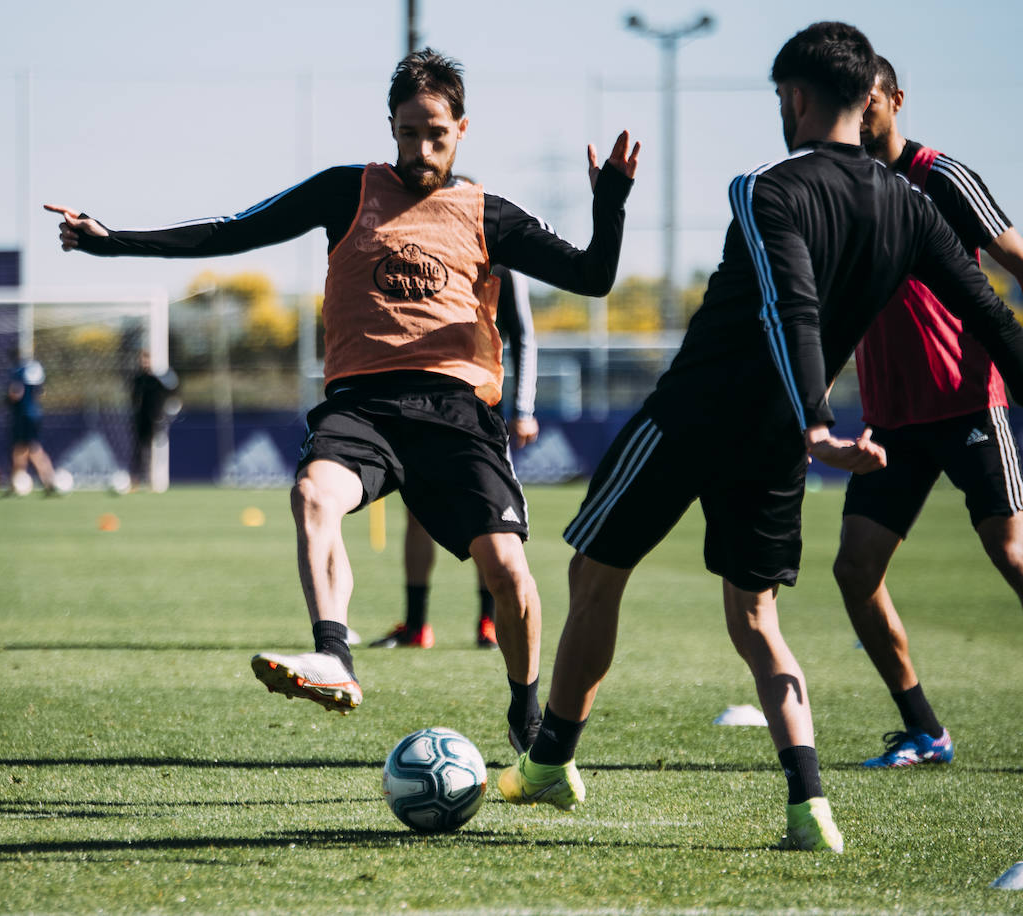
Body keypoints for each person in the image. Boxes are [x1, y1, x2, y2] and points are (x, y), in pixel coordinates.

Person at [497, 21, 1023, 853]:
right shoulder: (910, 205)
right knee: (755, 616)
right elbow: (992, 314)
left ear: (797, 97)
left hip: (693, 416)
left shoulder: (765, 185)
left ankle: (553, 760)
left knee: (595, 574)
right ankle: (809, 807)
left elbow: (791, 307)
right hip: (778, 440)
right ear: (868, 96)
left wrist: (817, 418)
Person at [46, 48, 639, 752]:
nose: (422, 147)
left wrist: (609, 205)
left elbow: (595, 277)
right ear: (391, 125)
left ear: (462, 129)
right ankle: (334, 654)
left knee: (508, 570)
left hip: (457, 415)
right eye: (409, 131)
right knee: (312, 496)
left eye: (437, 133)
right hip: (362, 409)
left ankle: (525, 711)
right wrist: (114, 242)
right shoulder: (345, 191)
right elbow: (234, 230)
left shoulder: (490, 214)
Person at [831, 57, 1023, 773]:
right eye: (849, 101)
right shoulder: (842, 191)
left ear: (896, 100)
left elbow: (1022, 263)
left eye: (870, 100)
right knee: (854, 570)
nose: (860, 112)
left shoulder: (942, 178)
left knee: (1015, 555)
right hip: (891, 418)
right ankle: (923, 729)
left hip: (967, 401)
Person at [371, 261, 539, 650]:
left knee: (491, 522)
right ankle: (416, 626)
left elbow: (524, 337)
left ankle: (489, 623)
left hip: (481, 410)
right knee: (415, 515)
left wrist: (525, 409)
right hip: (423, 404)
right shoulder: (431, 254)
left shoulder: (505, 265)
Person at [6, 347, 56, 494]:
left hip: (22, 415)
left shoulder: (17, 371)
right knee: (27, 449)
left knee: (25, 449)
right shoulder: (36, 369)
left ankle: (45, 480)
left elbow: (16, 393)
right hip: (36, 413)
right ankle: (22, 482)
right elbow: (41, 392)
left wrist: (7, 399)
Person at [130, 349, 179, 490]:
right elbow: (134, 399)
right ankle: (136, 480)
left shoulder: (158, 380)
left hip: (156, 419)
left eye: (147, 359)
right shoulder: (138, 379)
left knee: (155, 448)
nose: (145, 362)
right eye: (143, 360)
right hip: (140, 418)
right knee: (139, 449)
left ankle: (154, 480)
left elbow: (172, 391)